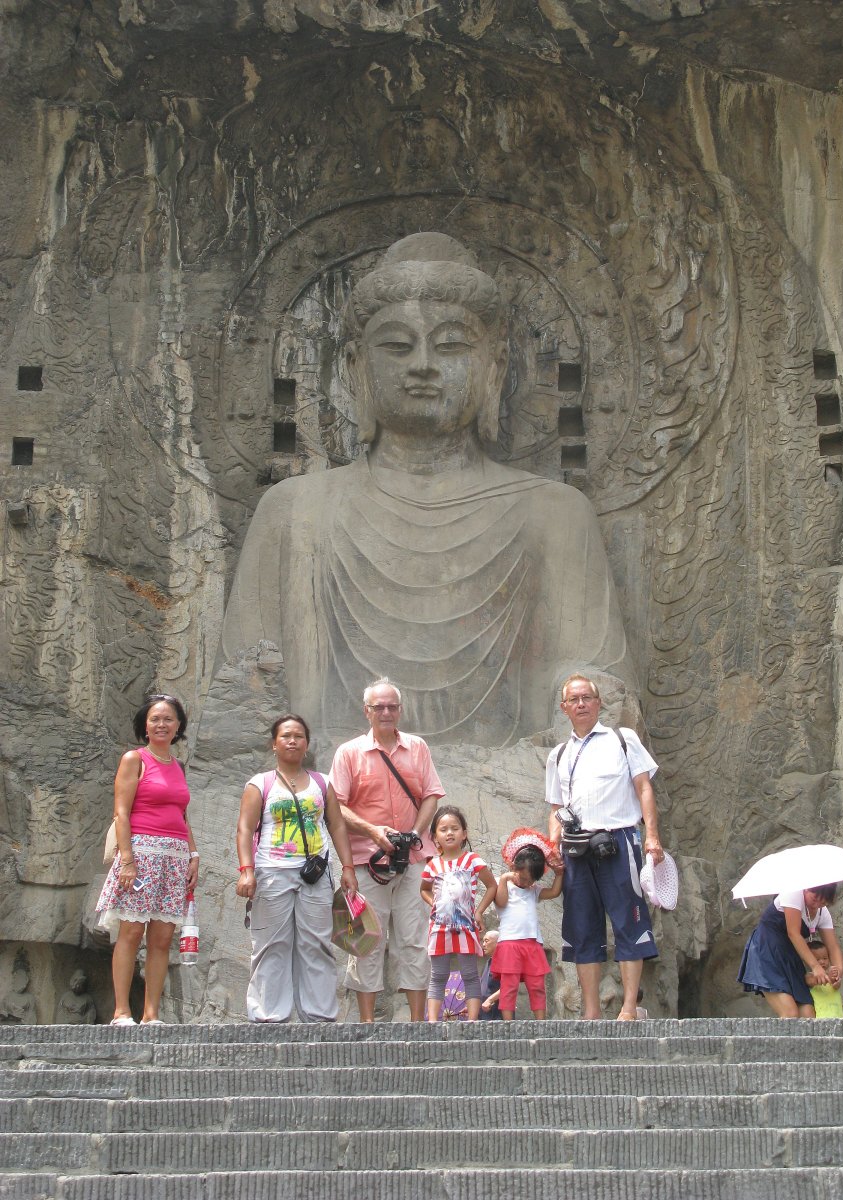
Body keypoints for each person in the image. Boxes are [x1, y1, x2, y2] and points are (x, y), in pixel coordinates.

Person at [215, 232, 634, 751]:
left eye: (452, 345)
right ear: (355, 365)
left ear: (495, 365)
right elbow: (243, 706)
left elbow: (598, 698)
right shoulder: (295, 511)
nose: (423, 365)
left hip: (516, 783)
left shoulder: (556, 513)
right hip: (330, 784)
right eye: (396, 346)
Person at [546, 673, 664, 1021]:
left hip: (618, 840)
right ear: (564, 707)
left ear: (599, 703)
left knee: (629, 922)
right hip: (576, 848)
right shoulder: (559, 754)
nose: (581, 704)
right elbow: (556, 808)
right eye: (574, 699)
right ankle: (591, 1011)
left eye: (587, 697)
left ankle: (628, 1007)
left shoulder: (622, 739)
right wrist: (552, 846)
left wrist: (652, 836)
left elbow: (644, 788)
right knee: (582, 929)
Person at [328, 677, 445, 1021]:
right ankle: (367, 1022)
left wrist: (415, 833)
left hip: (414, 859)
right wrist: (372, 831)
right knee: (367, 941)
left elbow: (432, 795)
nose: (386, 712)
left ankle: (417, 1023)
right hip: (368, 861)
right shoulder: (349, 753)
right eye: (379, 707)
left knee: (415, 940)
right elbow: (336, 806)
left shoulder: (417, 747)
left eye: (392, 706)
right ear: (366, 711)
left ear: (401, 710)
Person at [235, 714, 358, 1022]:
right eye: (286, 736)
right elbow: (245, 829)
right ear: (274, 744)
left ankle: (319, 1016)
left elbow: (337, 825)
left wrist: (348, 866)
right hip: (271, 871)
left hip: (315, 873)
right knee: (271, 944)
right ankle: (268, 1017)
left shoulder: (322, 783)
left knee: (316, 943)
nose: (292, 741)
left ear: (307, 744)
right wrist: (247, 870)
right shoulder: (259, 784)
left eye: (299, 736)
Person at [96, 695, 199, 1026]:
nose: (161, 724)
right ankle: (121, 1011)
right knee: (130, 931)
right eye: (155, 718)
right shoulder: (134, 759)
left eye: (168, 719)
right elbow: (121, 812)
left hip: (175, 857)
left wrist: (193, 854)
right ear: (145, 724)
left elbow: (182, 815)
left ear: (178, 726)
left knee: (162, 938)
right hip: (141, 856)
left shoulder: (178, 766)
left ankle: (151, 1014)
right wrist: (127, 860)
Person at [420, 806, 497, 1023]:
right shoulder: (432, 865)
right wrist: (434, 903)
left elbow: (492, 886)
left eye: (454, 828)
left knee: (470, 974)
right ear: (435, 836)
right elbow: (424, 890)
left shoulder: (472, 860)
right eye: (443, 829)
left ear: (464, 833)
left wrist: (479, 911)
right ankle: (432, 1023)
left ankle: (472, 1021)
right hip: (439, 928)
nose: (449, 833)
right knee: (438, 975)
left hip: (465, 927)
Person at [737, 885, 843, 1018]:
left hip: (790, 956)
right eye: (814, 899)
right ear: (806, 889)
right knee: (790, 1013)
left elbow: (833, 947)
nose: (816, 905)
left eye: (823, 902)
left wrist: (838, 973)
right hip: (767, 950)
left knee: (807, 1013)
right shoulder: (793, 893)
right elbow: (794, 933)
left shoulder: (823, 913)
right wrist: (815, 967)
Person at [491, 845, 562, 1020]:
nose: (525, 883)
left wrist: (559, 874)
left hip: (532, 943)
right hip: (509, 943)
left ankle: (540, 1023)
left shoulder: (533, 891)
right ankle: (508, 1024)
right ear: (512, 867)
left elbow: (554, 892)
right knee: (509, 985)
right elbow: (500, 902)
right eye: (522, 878)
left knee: (537, 985)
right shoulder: (502, 883)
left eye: (530, 881)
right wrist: (504, 878)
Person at [804, 940, 843, 1018]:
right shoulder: (809, 976)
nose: (822, 962)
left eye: (825, 958)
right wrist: (828, 977)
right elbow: (812, 981)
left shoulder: (831, 972)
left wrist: (836, 980)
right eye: (817, 959)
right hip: (821, 1016)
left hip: (837, 1014)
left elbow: (836, 986)